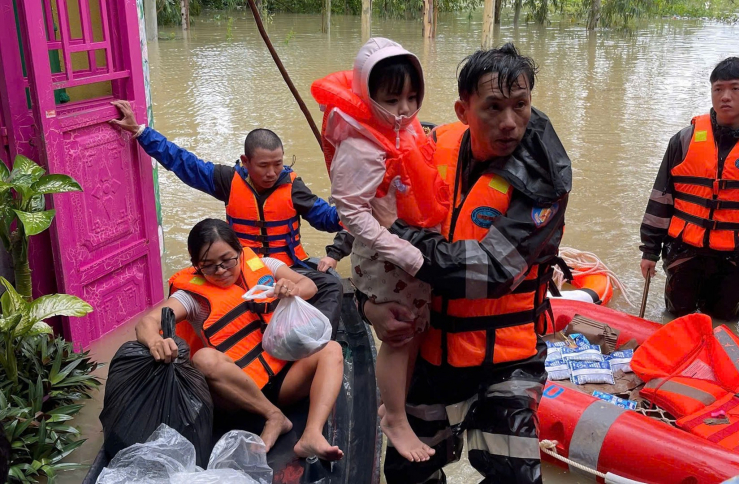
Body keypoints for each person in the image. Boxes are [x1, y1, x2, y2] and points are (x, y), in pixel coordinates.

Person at [364, 43, 572, 484]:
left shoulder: (545, 182)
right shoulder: (430, 145)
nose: (509, 122)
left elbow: (488, 273)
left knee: (515, 476)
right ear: (463, 110)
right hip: (430, 349)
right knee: (407, 474)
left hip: (506, 358)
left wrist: (399, 233)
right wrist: (369, 305)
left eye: (520, 105)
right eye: (493, 107)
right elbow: (365, 229)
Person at [311, 37, 449, 463]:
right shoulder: (360, 144)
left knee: (415, 328)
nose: (404, 109)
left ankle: (393, 407)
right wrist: (400, 250)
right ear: (367, 96)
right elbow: (350, 211)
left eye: (411, 97)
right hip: (388, 255)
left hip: (410, 247)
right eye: (392, 99)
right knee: (400, 335)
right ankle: (396, 419)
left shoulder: (404, 130)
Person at [110, 100, 346, 329]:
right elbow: (184, 163)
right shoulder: (227, 180)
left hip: (286, 267)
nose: (272, 173)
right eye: (263, 165)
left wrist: (349, 211)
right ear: (246, 162)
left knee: (331, 285)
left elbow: (326, 219)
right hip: (240, 267)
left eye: (278, 164)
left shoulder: (294, 188)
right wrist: (141, 132)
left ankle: (317, 337)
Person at [134, 218, 344, 460]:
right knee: (203, 358)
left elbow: (310, 286)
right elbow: (147, 323)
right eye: (209, 266)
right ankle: (274, 416)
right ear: (196, 266)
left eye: (227, 260)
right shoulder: (190, 298)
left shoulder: (265, 265)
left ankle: (311, 435)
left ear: (239, 251)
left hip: (284, 378)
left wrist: (292, 289)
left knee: (331, 349)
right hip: (238, 394)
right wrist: (155, 342)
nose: (220, 270)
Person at [639, 57, 739, 321]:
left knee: (724, 321)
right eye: (718, 89)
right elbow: (661, 199)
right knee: (676, 317)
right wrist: (650, 250)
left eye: (735, 88)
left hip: (737, 260)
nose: (725, 97)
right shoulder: (684, 140)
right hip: (684, 253)